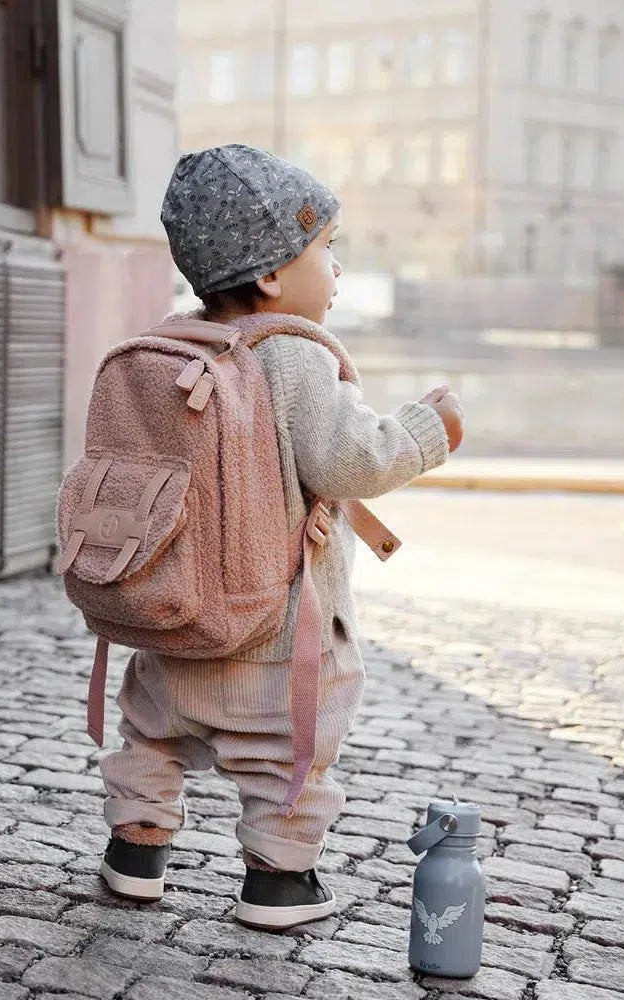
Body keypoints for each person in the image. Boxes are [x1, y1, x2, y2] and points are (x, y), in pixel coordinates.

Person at [96, 144, 464, 930]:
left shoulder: (173, 344)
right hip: (271, 629)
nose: (335, 271)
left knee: (151, 736)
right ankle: (279, 883)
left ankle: (135, 854)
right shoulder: (292, 354)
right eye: (326, 249)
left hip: (170, 615)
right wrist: (429, 429)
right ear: (271, 274)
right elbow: (352, 459)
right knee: (286, 758)